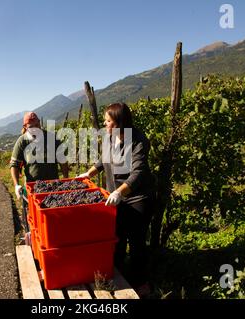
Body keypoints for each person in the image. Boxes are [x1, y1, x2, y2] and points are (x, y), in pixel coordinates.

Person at [78, 103, 154, 295]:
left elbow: (138, 173)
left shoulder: (138, 140)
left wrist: (120, 192)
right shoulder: (110, 138)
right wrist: (88, 173)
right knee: (116, 238)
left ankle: (141, 283)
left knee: (136, 242)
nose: (105, 124)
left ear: (120, 122)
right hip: (116, 196)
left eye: (108, 121)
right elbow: (103, 161)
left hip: (137, 197)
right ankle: (117, 277)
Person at [10, 112, 69, 237]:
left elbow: (63, 161)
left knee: (53, 219)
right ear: (25, 127)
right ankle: (34, 244)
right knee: (33, 220)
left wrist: (66, 179)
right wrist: (16, 185)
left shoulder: (51, 139)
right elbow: (14, 165)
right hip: (32, 189)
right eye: (31, 126)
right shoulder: (22, 142)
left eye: (37, 125)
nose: (35, 128)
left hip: (53, 187)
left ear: (40, 123)